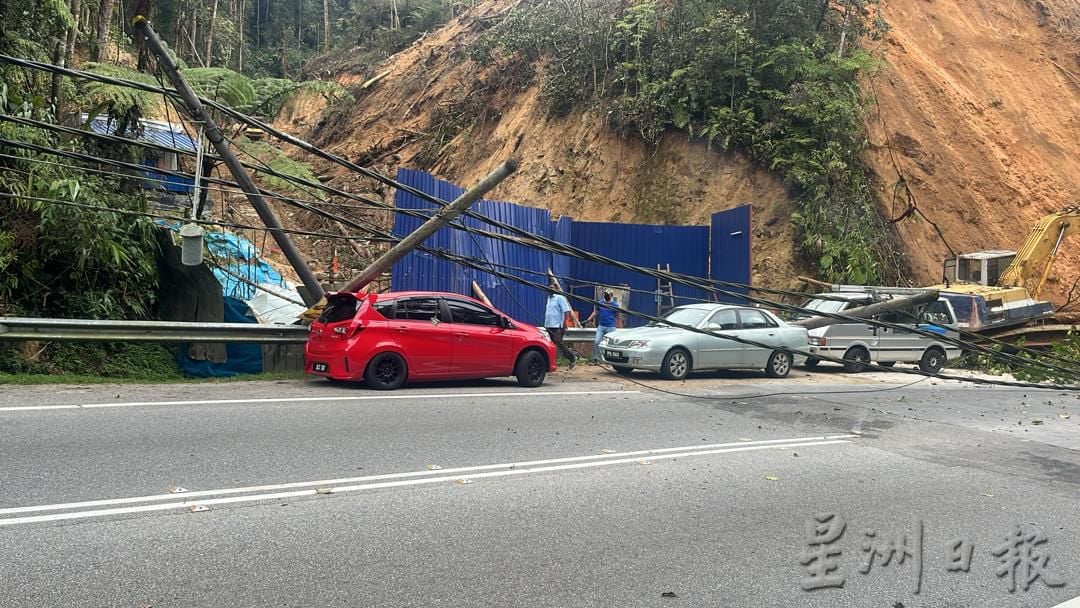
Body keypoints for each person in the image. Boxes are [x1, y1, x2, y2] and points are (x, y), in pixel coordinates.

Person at [544, 281, 579, 370]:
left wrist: (564, 324)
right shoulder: (549, 298)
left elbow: (566, 311)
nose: (550, 289)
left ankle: (572, 358)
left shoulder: (559, 297)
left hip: (557, 326)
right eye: (549, 288)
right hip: (548, 325)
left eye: (552, 288)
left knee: (560, 343)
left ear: (555, 289)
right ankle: (550, 363)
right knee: (549, 344)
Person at [585, 288, 620, 364]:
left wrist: (620, 327)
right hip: (601, 326)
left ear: (611, 296)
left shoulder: (615, 305)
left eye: (607, 295)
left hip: (611, 327)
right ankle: (595, 359)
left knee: (611, 345)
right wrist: (588, 320)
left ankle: (611, 361)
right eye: (605, 294)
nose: (606, 296)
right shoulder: (600, 303)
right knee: (597, 341)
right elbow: (595, 312)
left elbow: (617, 317)